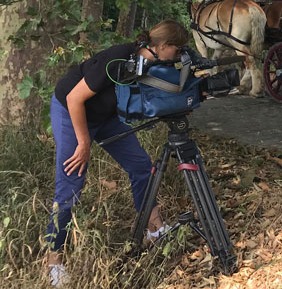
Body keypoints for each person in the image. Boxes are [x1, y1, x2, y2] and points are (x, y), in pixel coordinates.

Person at [46, 21, 188, 286]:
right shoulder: (119, 57)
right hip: (71, 110)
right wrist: (83, 142)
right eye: (178, 50)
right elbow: (75, 99)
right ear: (164, 46)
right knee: (71, 183)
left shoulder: (154, 66)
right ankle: (54, 260)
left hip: (105, 117)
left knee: (141, 165)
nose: (179, 56)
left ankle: (153, 227)